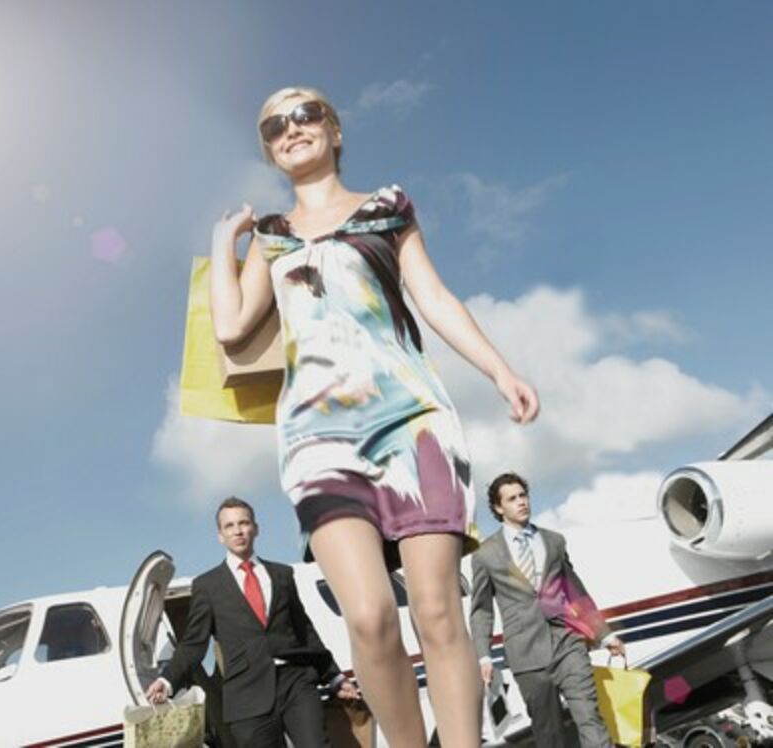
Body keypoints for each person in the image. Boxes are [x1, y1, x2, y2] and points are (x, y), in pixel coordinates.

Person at [207, 86, 539, 748]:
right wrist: (224, 242)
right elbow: (232, 327)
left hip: (413, 422)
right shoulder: (271, 237)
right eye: (274, 126)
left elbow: (434, 297)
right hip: (317, 437)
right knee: (368, 617)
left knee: (438, 611)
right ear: (269, 150)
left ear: (334, 129)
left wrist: (499, 370)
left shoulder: (388, 208)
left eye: (305, 114)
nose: (290, 128)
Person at [145, 497, 359, 747]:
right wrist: (167, 680)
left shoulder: (282, 575)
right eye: (229, 526)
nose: (238, 531)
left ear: (255, 529)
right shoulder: (208, 585)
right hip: (247, 694)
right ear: (220, 536)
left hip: (295, 681)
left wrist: (333, 676)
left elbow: (304, 630)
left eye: (244, 523)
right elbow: (194, 643)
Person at [470, 472, 626, 748]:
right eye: (512, 498)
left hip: (567, 642)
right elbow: (481, 610)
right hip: (526, 654)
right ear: (498, 508)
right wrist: (484, 655)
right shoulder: (486, 554)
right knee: (548, 733)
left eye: (523, 495)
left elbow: (576, 592)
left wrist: (605, 634)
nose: (521, 502)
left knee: (589, 717)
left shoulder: (554, 542)